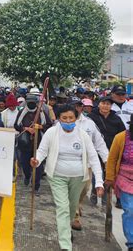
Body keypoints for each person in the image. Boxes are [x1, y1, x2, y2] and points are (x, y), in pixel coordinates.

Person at [31, 104, 104, 251]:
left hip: (78, 178)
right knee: (62, 208)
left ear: (76, 118)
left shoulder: (82, 135)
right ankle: (65, 245)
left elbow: (94, 158)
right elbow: (42, 151)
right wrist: (36, 160)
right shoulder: (51, 133)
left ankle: (67, 227)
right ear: (59, 119)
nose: (68, 121)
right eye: (64, 118)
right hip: (57, 176)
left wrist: (99, 182)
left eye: (71, 118)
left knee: (71, 207)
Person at [68, 97, 109, 230]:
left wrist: (106, 160)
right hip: (67, 164)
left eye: (79, 105)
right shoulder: (61, 122)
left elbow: (99, 143)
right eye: (74, 105)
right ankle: (74, 217)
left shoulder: (89, 124)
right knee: (71, 191)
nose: (77, 108)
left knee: (84, 190)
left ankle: (78, 204)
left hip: (87, 165)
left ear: (81, 107)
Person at [88, 96, 125, 205]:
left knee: (109, 174)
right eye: (103, 103)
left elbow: (122, 133)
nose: (105, 106)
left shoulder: (116, 118)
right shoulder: (91, 117)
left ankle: (105, 198)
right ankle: (94, 194)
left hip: (112, 151)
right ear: (99, 104)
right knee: (97, 172)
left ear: (111, 106)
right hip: (95, 150)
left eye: (108, 104)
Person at [105, 114, 133, 251]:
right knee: (130, 209)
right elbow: (112, 159)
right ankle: (131, 242)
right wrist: (109, 178)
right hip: (125, 178)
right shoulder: (121, 137)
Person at [15, 94, 52, 193]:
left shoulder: (41, 112)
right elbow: (16, 125)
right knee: (25, 164)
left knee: (38, 165)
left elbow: (49, 124)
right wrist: (26, 128)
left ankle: (36, 185)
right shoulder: (22, 112)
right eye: (29, 102)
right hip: (25, 143)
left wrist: (40, 127)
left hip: (38, 143)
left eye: (33, 102)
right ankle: (27, 176)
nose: (31, 104)